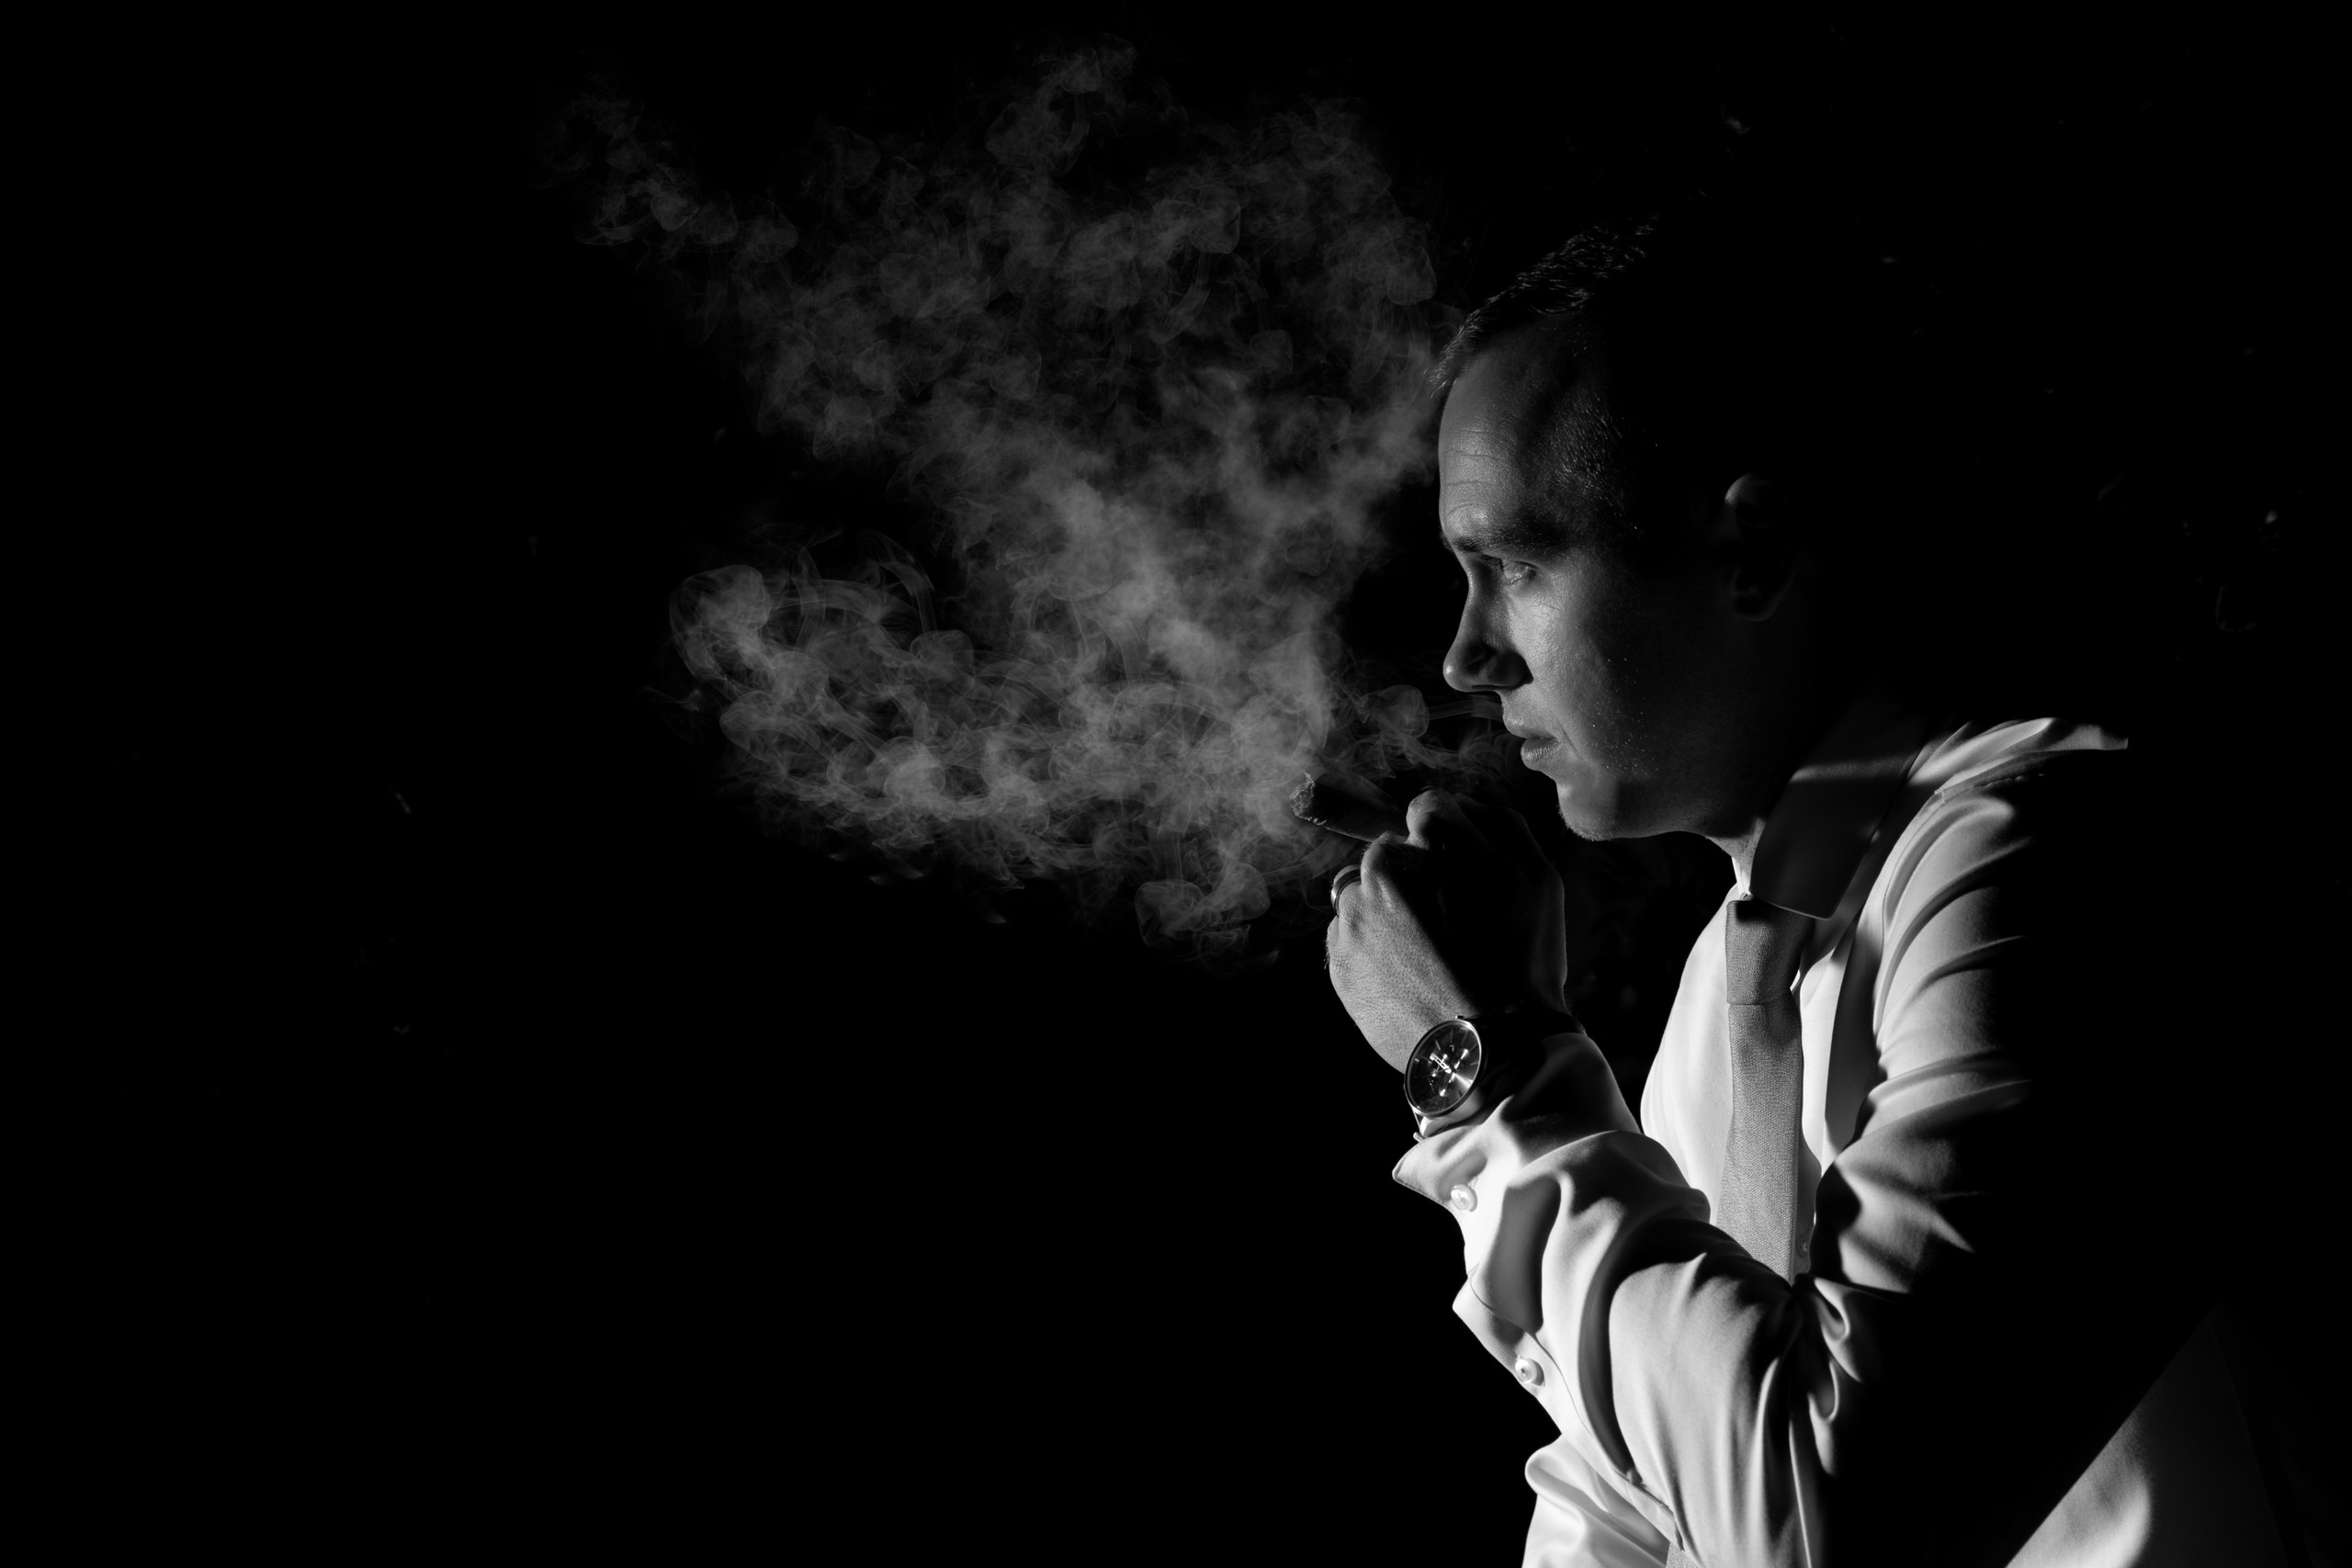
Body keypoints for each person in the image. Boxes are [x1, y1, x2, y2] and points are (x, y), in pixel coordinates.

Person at [1323, 212, 2290, 1565]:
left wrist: (1485, 1075)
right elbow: (1636, 1500)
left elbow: (1822, 1528)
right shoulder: (1730, 1002)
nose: (1469, 659)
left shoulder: (2044, 864)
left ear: (1753, 552)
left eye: (1519, 566)